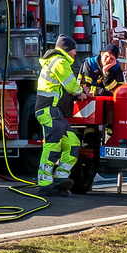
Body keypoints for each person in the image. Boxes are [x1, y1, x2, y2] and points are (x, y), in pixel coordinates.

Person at [34, 35, 90, 196]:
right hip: (48, 109)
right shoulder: (60, 61)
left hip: (53, 111)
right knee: (52, 145)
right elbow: (71, 85)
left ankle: (60, 179)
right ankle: (45, 184)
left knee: (72, 143)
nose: (75, 53)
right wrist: (81, 92)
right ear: (67, 49)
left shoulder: (57, 61)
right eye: (74, 49)